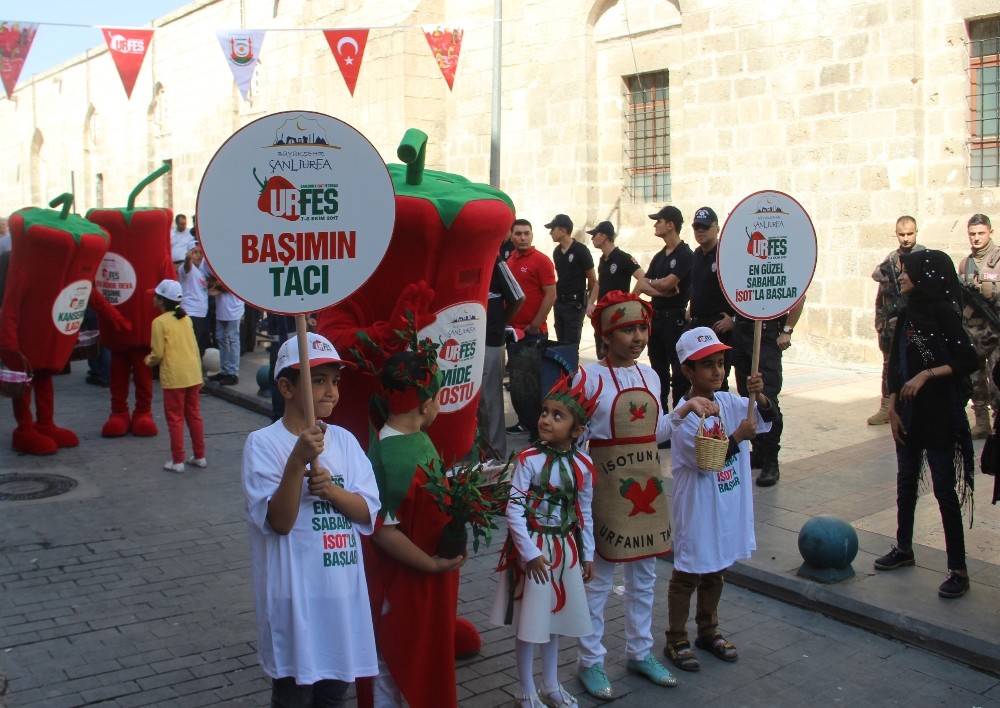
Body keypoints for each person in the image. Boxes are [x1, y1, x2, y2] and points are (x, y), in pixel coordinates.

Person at [574, 292, 718, 701]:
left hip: (647, 489)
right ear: (605, 335)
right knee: (599, 581)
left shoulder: (651, 377)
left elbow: (653, 434)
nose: (638, 337)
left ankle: (639, 651)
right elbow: (573, 439)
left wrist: (685, 410)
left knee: (644, 576)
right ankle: (590, 661)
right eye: (627, 329)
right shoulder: (588, 379)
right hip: (604, 491)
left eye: (641, 328)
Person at [241, 332, 381, 706]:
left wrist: (333, 491)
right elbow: (279, 522)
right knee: (294, 696)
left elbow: (368, 510)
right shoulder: (263, 444)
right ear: (286, 386)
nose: (331, 391)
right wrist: (296, 462)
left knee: (332, 696)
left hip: (340, 598)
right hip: (294, 602)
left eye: (335, 381)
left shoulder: (347, 442)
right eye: (318, 380)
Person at [664, 327, 775, 672]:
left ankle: (708, 629)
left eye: (721, 363)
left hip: (725, 508)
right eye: (707, 365)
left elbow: (768, 420)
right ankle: (676, 637)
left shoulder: (729, 402)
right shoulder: (683, 416)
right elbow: (705, 460)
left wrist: (762, 397)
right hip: (698, 510)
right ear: (687, 371)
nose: (717, 371)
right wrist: (739, 436)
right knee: (688, 574)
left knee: (716, 570)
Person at [490, 370, 600, 708]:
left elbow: (584, 512)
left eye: (557, 415)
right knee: (530, 620)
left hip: (563, 550)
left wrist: (588, 555)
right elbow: (515, 509)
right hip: (534, 550)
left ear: (578, 430)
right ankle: (525, 689)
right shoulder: (528, 460)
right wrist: (528, 553)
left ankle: (551, 684)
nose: (546, 420)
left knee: (553, 619)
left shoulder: (583, 464)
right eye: (544, 412)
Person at [364, 347, 465, 708]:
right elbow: (383, 531)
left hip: (423, 581)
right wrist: (432, 564)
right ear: (425, 404)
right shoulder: (395, 456)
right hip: (404, 583)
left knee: (415, 660)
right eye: (438, 396)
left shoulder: (412, 438)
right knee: (396, 666)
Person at [877, 249, 976, 599]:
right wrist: (892, 408)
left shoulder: (943, 314)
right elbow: (894, 364)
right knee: (905, 481)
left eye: (907, 272)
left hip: (938, 416)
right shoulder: (906, 315)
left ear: (927, 276)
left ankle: (957, 569)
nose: (901, 276)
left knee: (944, 490)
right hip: (908, 415)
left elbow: (968, 359)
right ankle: (904, 548)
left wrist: (927, 374)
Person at [731, 297, 805, 487]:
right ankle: (759, 453)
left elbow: (799, 294)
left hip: (767, 335)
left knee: (767, 399)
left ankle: (771, 461)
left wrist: (787, 329)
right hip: (741, 333)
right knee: (748, 397)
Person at [144, 279, 206, 472]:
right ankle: (199, 456)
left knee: (175, 419)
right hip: (192, 374)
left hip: (174, 377)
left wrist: (147, 361)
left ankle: (177, 460)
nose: (153, 298)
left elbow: (158, 354)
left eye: (155, 296)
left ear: (161, 301)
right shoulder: (185, 318)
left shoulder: (158, 322)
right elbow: (195, 348)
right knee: (194, 416)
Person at [636, 205, 693, 412]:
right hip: (657, 319)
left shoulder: (685, 254)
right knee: (657, 373)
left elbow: (669, 283)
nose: (655, 224)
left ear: (670, 225)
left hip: (675, 321)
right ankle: (662, 421)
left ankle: (679, 419)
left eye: (658, 221)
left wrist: (659, 285)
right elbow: (643, 284)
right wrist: (663, 290)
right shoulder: (660, 256)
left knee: (679, 375)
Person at [869, 216, 925, 425]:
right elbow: (881, 296)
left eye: (909, 233)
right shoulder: (891, 261)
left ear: (916, 231)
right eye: (902, 234)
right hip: (892, 324)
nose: (906, 238)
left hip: (918, 324)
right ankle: (886, 407)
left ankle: (918, 407)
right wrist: (880, 322)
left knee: (919, 361)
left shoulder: (924, 257)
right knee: (889, 365)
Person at [506, 218, 557, 435]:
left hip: (533, 333)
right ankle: (525, 421)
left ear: (532, 236)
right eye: (518, 234)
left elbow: (551, 294)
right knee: (518, 383)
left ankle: (540, 427)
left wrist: (536, 324)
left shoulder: (541, 260)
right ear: (511, 236)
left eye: (526, 233)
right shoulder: (509, 261)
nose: (523, 237)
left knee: (536, 384)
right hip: (514, 333)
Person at [478, 247, 524, 459]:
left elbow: (518, 296)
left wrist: (501, 322)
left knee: (490, 399)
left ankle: (495, 455)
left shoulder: (493, 259)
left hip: (490, 338)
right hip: (466, 339)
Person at [956, 213, 999, 439]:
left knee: (997, 381)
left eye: (981, 233)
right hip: (972, 331)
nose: (976, 238)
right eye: (972, 234)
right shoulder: (966, 264)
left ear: (990, 232)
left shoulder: (999, 260)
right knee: (976, 379)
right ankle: (982, 422)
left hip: (995, 331)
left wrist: (994, 294)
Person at [685, 207, 735, 390]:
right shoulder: (697, 254)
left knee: (716, 381)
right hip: (698, 323)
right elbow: (697, 285)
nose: (700, 231)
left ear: (717, 228)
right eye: (696, 227)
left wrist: (734, 320)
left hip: (718, 327)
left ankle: (718, 418)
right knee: (695, 378)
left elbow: (741, 292)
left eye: (705, 227)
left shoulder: (726, 255)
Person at [585, 220, 644, 358]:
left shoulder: (623, 258)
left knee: (617, 355)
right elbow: (599, 283)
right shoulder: (603, 260)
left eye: (594, 235)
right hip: (603, 313)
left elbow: (642, 277)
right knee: (602, 353)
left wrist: (630, 300)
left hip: (618, 315)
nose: (592, 239)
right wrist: (590, 303)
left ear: (603, 237)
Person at [547, 213, 596, 348]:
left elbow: (592, 279)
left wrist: (589, 302)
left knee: (571, 345)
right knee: (560, 343)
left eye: (553, 229)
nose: (550, 233)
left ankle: (572, 370)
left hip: (575, 304)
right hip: (560, 303)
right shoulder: (557, 252)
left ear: (563, 230)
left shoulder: (581, 250)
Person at [208, 274, 244, 386]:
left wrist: (218, 285)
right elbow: (212, 285)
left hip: (234, 310)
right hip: (221, 309)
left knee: (233, 340)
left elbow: (226, 286)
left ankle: (233, 373)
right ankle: (224, 371)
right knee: (221, 339)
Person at [177, 243, 212, 357]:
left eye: (200, 253)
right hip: (191, 314)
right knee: (191, 349)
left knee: (200, 349)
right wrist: (188, 257)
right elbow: (187, 264)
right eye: (195, 252)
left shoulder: (202, 271)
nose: (198, 255)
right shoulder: (186, 269)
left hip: (202, 315)